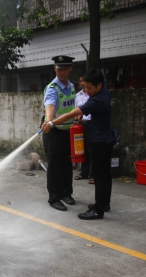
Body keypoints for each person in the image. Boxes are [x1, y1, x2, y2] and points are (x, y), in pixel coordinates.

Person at [41, 69, 114, 220]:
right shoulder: (104, 92)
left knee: (100, 177)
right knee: (104, 175)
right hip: (104, 138)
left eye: (89, 88)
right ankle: (104, 203)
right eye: (84, 87)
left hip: (100, 141)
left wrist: (52, 123)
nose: (86, 91)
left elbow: (71, 113)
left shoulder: (96, 99)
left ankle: (98, 209)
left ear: (99, 85)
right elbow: (51, 104)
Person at [42, 55, 76, 211]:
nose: (62, 72)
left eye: (65, 68)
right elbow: (50, 105)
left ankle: (66, 193)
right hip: (53, 131)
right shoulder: (52, 88)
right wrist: (49, 121)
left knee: (67, 163)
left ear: (70, 68)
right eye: (59, 69)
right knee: (55, 166)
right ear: (55, 69)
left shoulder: (72, 86)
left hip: (68, 130)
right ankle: (54, 198)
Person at [74, 72, 94, 184]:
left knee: (92, 150)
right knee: (83, 149)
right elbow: (76, 110)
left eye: (84, 81)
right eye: (80, 81)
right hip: (81, 125)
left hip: (92, 124)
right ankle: (84, 172)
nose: (82, 83)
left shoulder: (93, 95)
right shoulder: (78, 96)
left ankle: (93, 174)